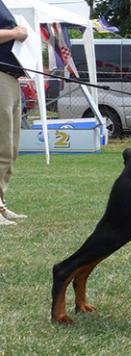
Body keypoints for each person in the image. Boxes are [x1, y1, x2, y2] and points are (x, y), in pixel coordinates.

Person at [0, 0, 28, 226]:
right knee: (1, 146)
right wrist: (14, 33)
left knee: (11, 147)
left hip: (12, 77)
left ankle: (0, 203)